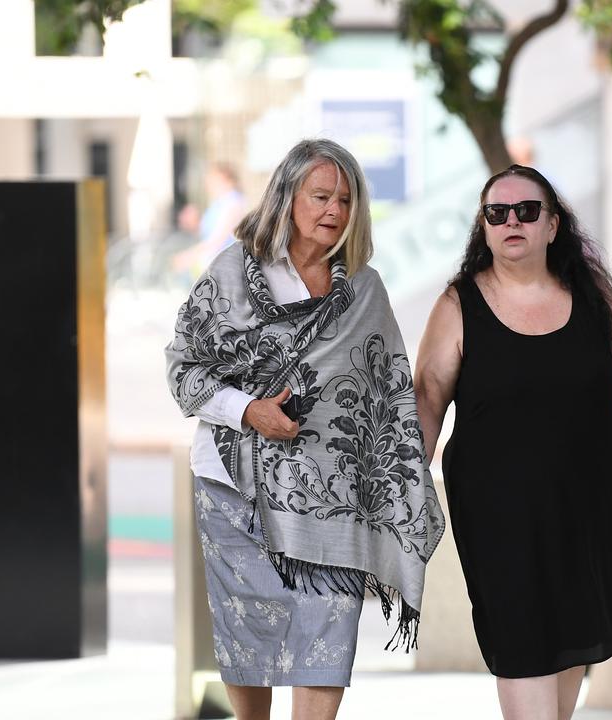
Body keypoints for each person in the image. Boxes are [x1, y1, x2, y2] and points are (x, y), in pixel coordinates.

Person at [165, 139, 445, 720]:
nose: (334, 211)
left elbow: (388, 391)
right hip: (232, 487)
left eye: (345, 200)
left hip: (336, 499)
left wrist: (402, 475)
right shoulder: (234, 273)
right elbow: (183, 366)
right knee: (251, 636)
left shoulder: (364, 290)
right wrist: (249, 410)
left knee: (328, 636)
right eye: (321, 196)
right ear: (288, 197)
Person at [414, 165, 612, 720]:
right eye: (497, 213)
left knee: (565, 658)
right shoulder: (458, 305)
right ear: (483, 228)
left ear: (553, 226)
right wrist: (402, 492)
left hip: (587, 507)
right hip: (500, 517)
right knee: (523, 652)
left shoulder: (592, 295)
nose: (512, 221)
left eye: (527, 211)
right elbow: (427, 400)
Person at [171, 162, 247, 278]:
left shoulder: (233, 203)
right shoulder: (218, 203)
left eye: (212, 180)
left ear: (224, 178)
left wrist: (188, 257)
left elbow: (217, 240)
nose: (208, 185)